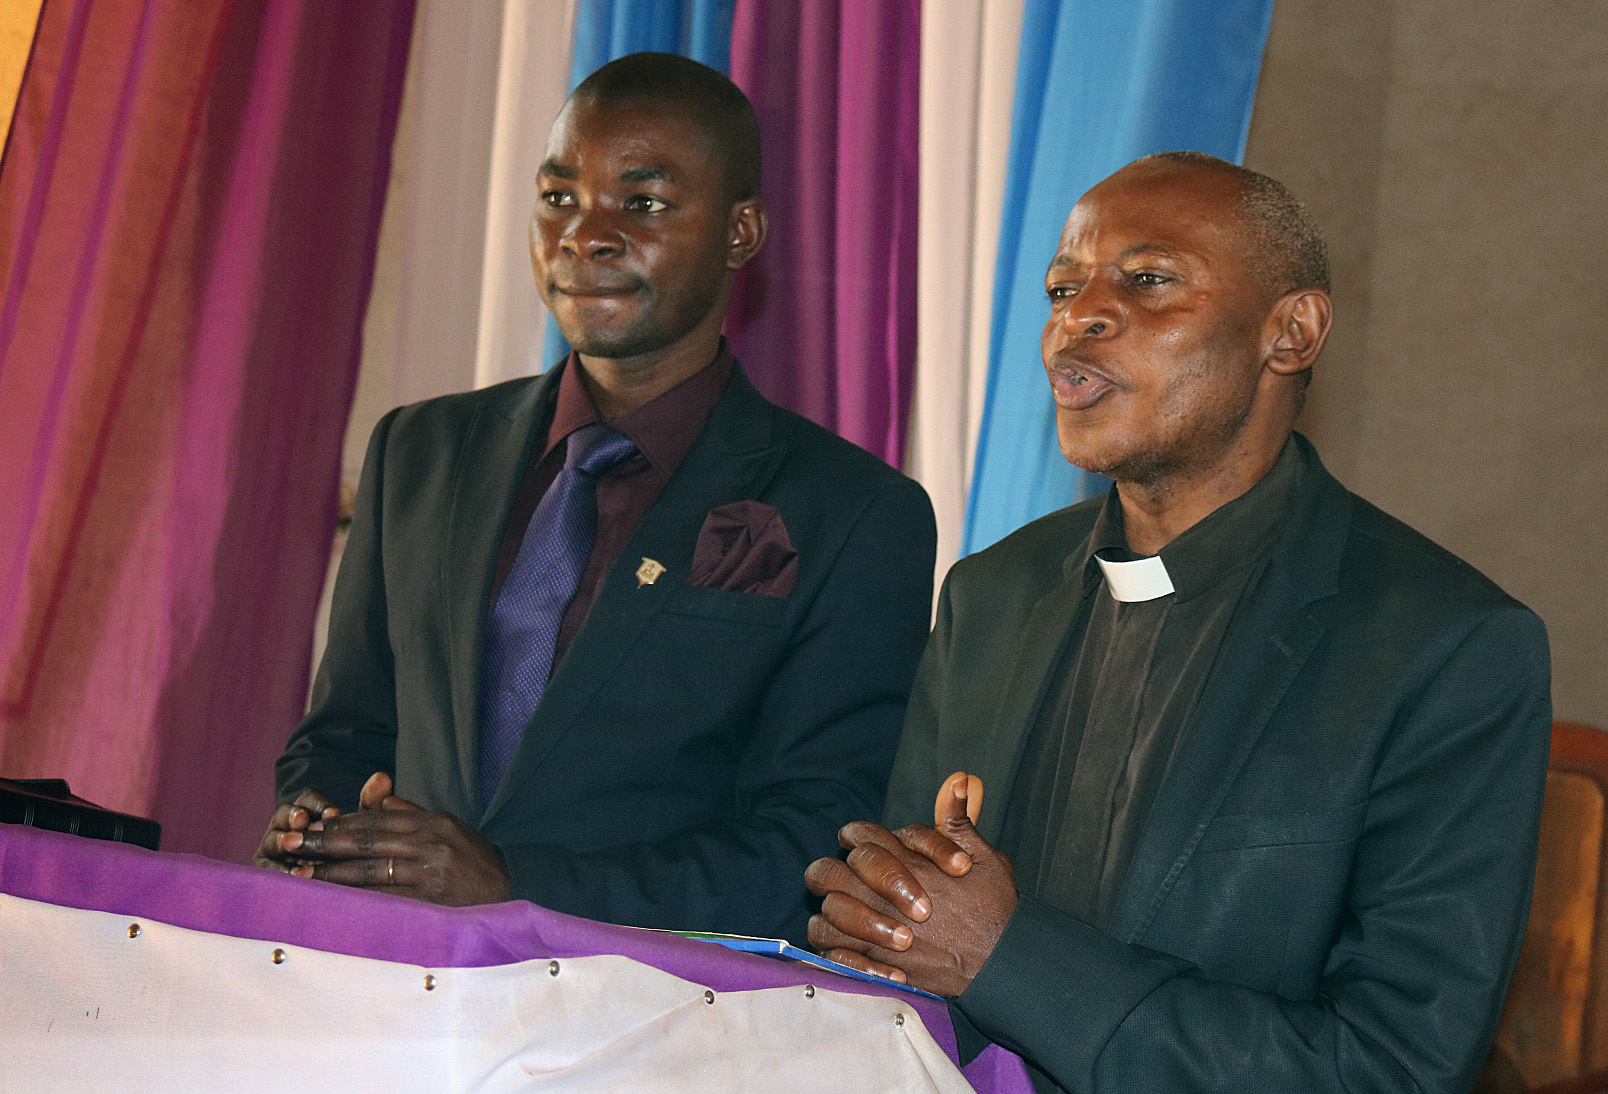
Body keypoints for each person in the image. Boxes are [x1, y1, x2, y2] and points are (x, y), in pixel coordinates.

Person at [805, 152, 1551, 1092]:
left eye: (1150, 280)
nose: (1078, 316)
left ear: (1292, 331)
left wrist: (1006, 958)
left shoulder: (1446, 647)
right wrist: (872, 927)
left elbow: (1394, 1067)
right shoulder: (991, 592)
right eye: (1062, 287)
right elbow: (907, 937)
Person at [254, 52, 936, 945]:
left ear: (741, 233)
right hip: (394, 996)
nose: (586, 235)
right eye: (559, 198)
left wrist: (512, 883)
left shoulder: (851, 511)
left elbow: (811, 847)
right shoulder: (418, 453)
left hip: (649, 1029)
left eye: (643, 203)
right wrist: (324, 827)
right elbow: (345, 737)